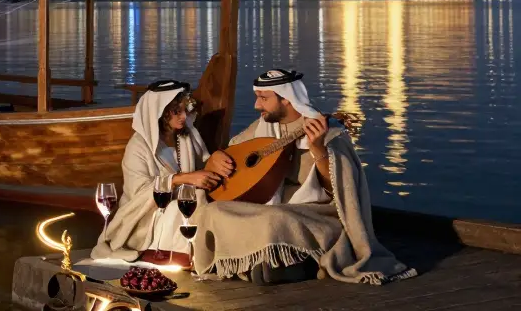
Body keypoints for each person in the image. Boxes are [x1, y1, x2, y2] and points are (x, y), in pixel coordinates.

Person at [192, 69, 416, 286]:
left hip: (314, 214)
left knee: (274, 219)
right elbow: (232, 153)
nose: (256, 105)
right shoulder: (262, 128)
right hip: (268, 210)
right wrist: (215, 159)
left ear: (287, 99)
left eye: (263, 98)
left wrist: (318, 150)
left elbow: (338, 192)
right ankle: (270, 263)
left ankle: (285, 262)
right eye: (256, 97)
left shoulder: (330, 133)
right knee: (212, 211)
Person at [89, 79, 228, 267]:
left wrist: (217, 156)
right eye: (176, 111)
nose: (183, 116)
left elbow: (204, 161)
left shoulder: (186, 137)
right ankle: (180, 255)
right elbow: (139, 194)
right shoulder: (139, 147)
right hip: (144, 214)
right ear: (160, 113)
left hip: (188, 200)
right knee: (179, 207)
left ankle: (212, 253)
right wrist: (181, 179)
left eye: (184, 109)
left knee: (204, 200)